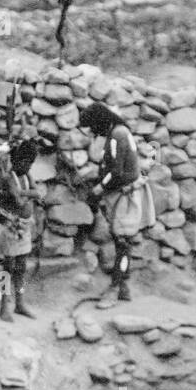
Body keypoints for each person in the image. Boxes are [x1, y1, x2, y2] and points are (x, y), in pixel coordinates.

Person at [80, 102, 157, 307]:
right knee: (121, 241)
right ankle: (123, 287)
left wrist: (99, 188)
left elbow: (116, 171)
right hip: (123, 193)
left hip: (125, 195)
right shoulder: (119, 132)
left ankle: (116, 288)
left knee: (122, 242)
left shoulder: (117, 135)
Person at [0, 138, 41, 321]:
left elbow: (36, 193)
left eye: (30, 163)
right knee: (7, 266)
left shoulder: (26, 176)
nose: (28, 166)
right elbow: (18, 200)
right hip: (10, 227)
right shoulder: (8, 178)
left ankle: (20, 303)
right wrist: (28, 194)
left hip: (24, 226)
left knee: (21, 266)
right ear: (14, 161)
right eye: (24, 162)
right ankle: (4, 305)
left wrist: (25, 193)